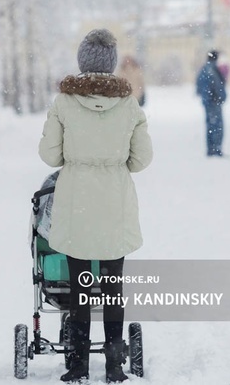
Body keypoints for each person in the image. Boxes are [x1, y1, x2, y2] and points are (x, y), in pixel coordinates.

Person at [38, 29, 153, 383]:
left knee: (80, 289)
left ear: (82, 61)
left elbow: (49, 155)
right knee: (113, 287)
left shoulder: (64, 103)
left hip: (77, 204)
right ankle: (115, 365)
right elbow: (142, 159)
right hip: (114, 203)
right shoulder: (130, 104)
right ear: (111, 62)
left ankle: (77, 366)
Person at [196, 50, 227, 157]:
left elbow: (199, 85)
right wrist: (218, 97)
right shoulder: (212, 70)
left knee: (210, 125)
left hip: (209, 101)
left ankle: (211, 149)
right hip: (213, 102)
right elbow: (217, 86)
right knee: (216, 126)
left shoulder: (205, 69)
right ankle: (216, 149)